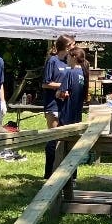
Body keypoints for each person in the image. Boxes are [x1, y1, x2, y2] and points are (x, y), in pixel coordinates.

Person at [42, 34, 75, 177]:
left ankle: (61, 172)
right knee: (53, 137)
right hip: (52, 105)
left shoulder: (69, 62)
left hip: (66, 106)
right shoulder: (52, 61)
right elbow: (45, 83)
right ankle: (49, 172)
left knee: (64, 139)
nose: (75, 47)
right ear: (67, 46)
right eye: (73, 44)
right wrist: (62, 87)